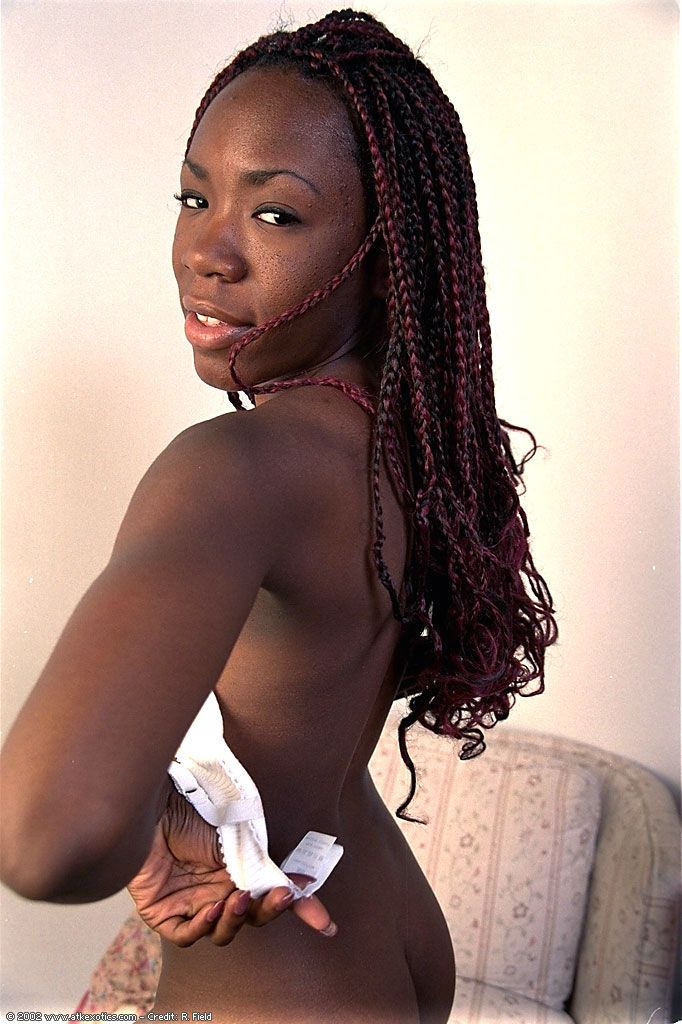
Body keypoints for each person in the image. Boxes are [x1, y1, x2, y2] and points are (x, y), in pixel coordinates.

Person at [0, 8, 559, 1024]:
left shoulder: (236, 467)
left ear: (384, 255)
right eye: (194, 196)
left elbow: (43, 840)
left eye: (274, 214)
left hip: (280, 979)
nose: (206, 251)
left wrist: (154, 816)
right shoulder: (405, 447)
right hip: (372, 933)